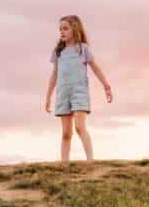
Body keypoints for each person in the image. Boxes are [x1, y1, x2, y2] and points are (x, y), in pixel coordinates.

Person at [44, 15, 112, 163]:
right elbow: (54, 74)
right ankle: (64, 165)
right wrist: (48, 97)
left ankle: (90, 161)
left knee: (80, 127)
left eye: (65, 28)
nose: (62, 32)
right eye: (60, 29)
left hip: (79, 93)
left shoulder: (83, 49)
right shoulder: (58, 52)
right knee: (66, 133)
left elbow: (96, 68)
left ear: (75, 29)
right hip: (63, 94)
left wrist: (106, 86)